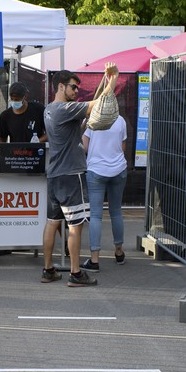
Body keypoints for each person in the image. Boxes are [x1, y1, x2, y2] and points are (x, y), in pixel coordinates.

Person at [41, 62, 119, 287]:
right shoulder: (64, 109)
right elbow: (98, 104)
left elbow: (77, 127)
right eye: (73, 87)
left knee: (52, 222)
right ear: (60, 86)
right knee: (75, 225)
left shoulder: (49, 109)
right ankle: (75, 273)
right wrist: (111, 79)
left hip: (55, 174)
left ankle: (48, 270)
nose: (76, 92)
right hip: (71, 174)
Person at [0, 81, 48, 256]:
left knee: (41, 205)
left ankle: (46, 243)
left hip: (35, 163)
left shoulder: (38, 110)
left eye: (18, 98)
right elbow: (1, 138)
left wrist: (39, 141)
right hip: (14, 165)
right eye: (12, 98)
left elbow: (49, 132)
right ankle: (7, 244)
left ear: (25, 97)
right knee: (12, 206)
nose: (15, 101)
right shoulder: (5, 116)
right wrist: (2, 153)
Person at [80, 114, 128, 272]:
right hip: (119, 169)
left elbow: (85, 147)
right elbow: (123, 147)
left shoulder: (92, 120)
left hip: (96, 170)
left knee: (95, 215)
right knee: (116, 212)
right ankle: (119, 252)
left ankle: (94, 260)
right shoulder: (120, 120)